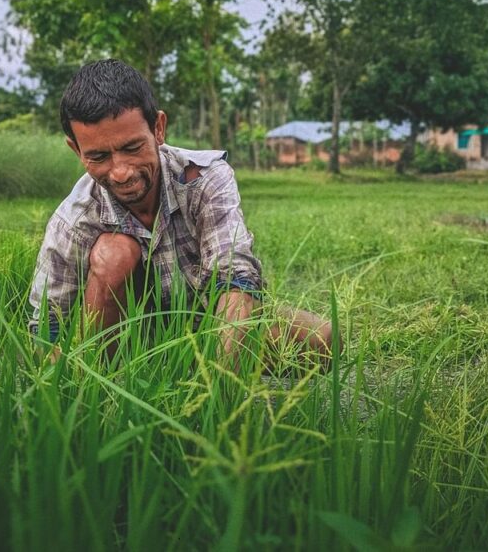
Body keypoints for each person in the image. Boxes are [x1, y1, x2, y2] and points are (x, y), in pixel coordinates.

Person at [28, 59, 332, 367]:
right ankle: (114, 378)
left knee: (324, 340)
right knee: (114, 253)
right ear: (76, 150)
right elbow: (48, 330)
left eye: (132, 148)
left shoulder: (205, 179)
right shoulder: (75, 219)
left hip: (209, 327)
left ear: (158, 128)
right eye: (99, 156)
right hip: (126, 345)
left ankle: (198, 367)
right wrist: (73, 380)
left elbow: (233, 276)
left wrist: (221, 390)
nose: (120, 173)